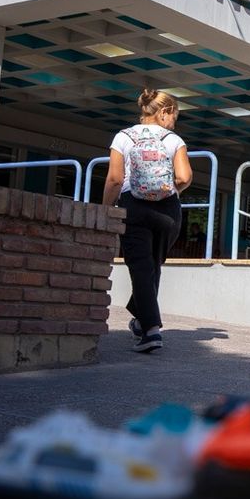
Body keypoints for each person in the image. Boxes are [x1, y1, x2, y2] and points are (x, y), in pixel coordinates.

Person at [102, 89, 192, 353]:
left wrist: (104, 209)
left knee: (142, 268)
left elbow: (115, 180)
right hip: (168, 211)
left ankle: (151, 330)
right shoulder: (174, 140)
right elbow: (185, 177)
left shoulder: (123, 137)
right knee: (151, 267)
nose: (174, 122)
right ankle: (142, 321)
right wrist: (166, 189)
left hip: (134, 207)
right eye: (174, 116)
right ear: (164, 112)